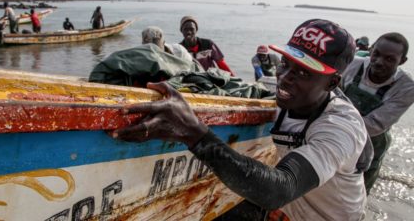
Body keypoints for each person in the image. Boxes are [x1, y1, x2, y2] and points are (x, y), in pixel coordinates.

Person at [113, 19, 368, 220]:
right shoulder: (284, 93)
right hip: (291, 211)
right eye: (286, 64)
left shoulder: (340, 127)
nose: (286, 77)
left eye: (302, 72)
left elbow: (281, 189)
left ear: (333, 83)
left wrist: (192, 132)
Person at [341, 32, 414, 194]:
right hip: (338, 133)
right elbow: (330, 94)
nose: (379, 62)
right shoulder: (353, 64)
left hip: (372, 143)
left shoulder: (407, 87)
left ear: (402, 61)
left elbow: (375, 125)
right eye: (377, 54)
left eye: (390, 59)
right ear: (371, 50)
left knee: (357, 194)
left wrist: (332, 124)